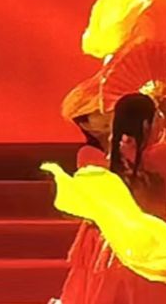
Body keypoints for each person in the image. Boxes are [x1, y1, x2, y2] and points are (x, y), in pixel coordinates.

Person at [86, 93, 166, 304]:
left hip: (117, 246)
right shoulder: (157, 155)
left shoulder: (114, 156)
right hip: (149, 246)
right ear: (147, 123)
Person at [58, 110, 114, 304]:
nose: (106, 114)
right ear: (85, 125)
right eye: (96, 114)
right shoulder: (88, 153)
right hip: (102, 227)